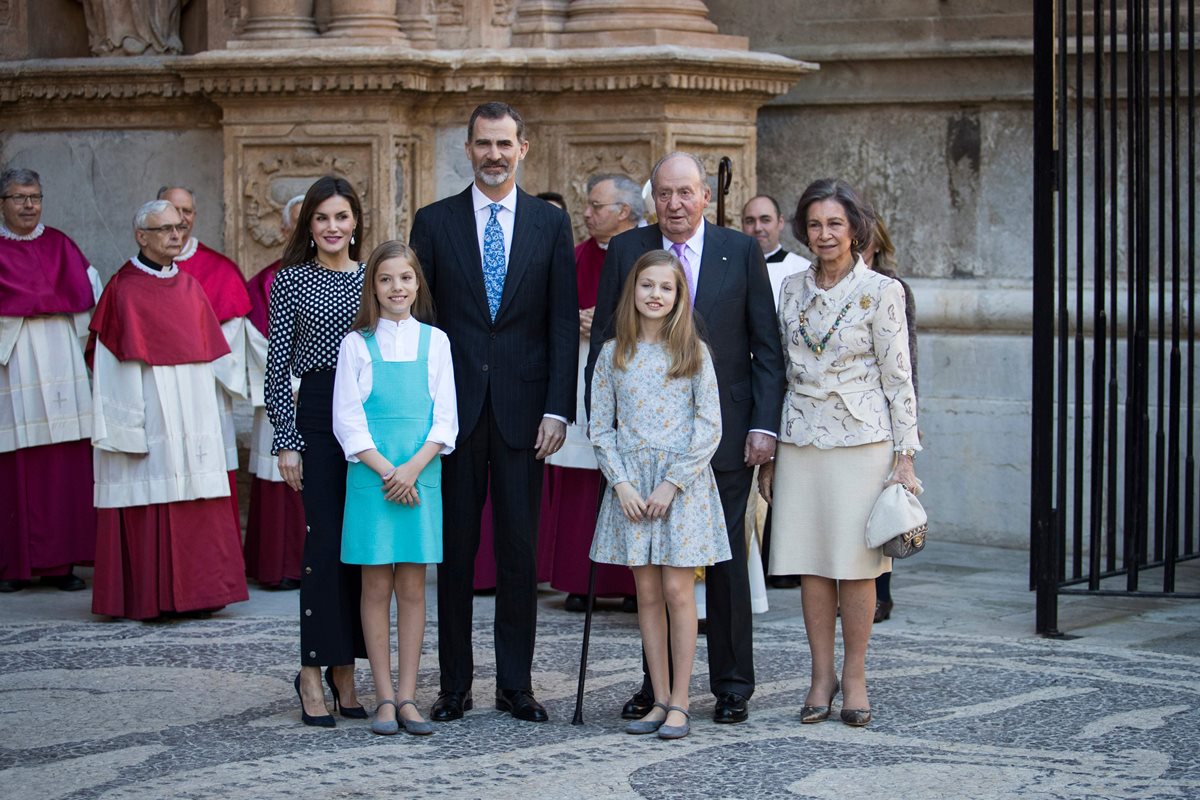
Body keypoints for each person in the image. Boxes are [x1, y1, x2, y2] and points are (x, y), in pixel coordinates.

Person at [588, 152, 785, 726]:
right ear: (654, 199)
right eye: (665, 194)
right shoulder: (628, 250)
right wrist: (611, 450)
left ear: (704, 195)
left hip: (719, 441)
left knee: (723, 567)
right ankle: (660, 688)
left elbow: (764, 346)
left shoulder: (740, 249)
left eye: (685, 193)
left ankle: (729, 685)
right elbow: (605, 337)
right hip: (641, 451)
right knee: (652, 576)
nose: (675, 204)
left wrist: (763, 427)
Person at [409, 101, 577, 724]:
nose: (494, 155)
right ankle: (454, 686)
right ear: (469, 148)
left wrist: (559, 409)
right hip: (451, 418)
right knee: (453, 554)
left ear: (523, 148)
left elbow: (562, 323)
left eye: (504, 144)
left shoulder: (548, 224)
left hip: (523, 414)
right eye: (483, 144)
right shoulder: (434, 221)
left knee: (518, 554)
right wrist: (424, 416)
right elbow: (420, 323)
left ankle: (516, 685)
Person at [758, 178, 920, 728]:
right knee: (811, 565)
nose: (824, 234)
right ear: (803, 230)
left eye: (835, 224)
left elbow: (899, 379)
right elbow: (778, 370)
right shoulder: (791, 289)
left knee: (856, 568)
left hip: (862, 443)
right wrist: (774, 452)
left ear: (855, 230)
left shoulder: (883, 291)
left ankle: (855, 677)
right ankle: (819, 675)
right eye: (815, 224)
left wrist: (906, 458)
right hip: (801, 439)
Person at [590, 249, 730, 740]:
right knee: (646, 594)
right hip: (631, 485)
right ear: (633, 291)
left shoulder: (692, 352)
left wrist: (673, 481)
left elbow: (709, 425)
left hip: (680, 486)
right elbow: (600, 427)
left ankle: (683, 701)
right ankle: (659, 696)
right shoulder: (613, 353)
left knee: (676, 590)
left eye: (666, 288)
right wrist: (621, 482)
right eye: (647, 285)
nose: (655, 295)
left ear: (679, 296)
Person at [89, 200, 248, 620]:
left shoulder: (191, 286)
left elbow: (211, 354)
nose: (176, 235)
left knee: (197, 490)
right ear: (142, 236)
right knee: (154, 488)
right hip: (150, 406)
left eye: (180, 227)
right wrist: (125, 428)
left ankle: (201, 593)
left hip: (193, 409)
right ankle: (152, 597)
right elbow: (109, 366)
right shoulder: (122, 288)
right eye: (165, 230)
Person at [333, 240, 458, 737]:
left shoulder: (437, 341)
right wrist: (389, 471)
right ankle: (382, 695)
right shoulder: (356, 344)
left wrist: (412, 470)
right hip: (373, 478)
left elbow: (446, 418)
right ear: (374, 287)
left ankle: (408, 695)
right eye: (386, 279)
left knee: (411, 586)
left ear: (417, 284)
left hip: (420, 477)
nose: (396, 288)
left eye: (405, 278)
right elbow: (347, 419)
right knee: (374, 586)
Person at [266, 176, 368, 728]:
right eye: (322, 218)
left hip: (368, 420)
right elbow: (277, 367)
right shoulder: (293, 280)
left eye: (342, 217)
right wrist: (286, 439)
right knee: (324, 545)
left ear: (356, 222)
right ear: (309, 226)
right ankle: (312, 668)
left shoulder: (372, 279)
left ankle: (346, 666)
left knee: (361, 547)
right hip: (318, 414)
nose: (333, 227)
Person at [0, 167, 100, 593]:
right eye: (19, 197)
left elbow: (88, 300)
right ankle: (12, 566)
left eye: (35, 197)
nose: (28, 205)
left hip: (60, 362)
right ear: (2, 203)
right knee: (14, 465)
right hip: (12, 362)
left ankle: (61, 564)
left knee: (62, 465)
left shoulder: (61, 245)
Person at [550, 173, 642, 613]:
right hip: (581, 373)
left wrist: (606, 323)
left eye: (596, 206)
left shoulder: (646, 252)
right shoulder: (577, 255)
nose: (586, 214)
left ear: (624, 212)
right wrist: (575, 319)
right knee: (582, 476)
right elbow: (550, 305)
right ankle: (578, 579)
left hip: (632, 374)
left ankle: (629, 582)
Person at [158, 185, 253, 536]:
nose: (180, 219)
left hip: (206, 390)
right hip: (161, 392)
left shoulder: (218, 269)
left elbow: (230, 336)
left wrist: (191, 365)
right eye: (171, 210)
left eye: (187, 211)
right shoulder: (137, 274)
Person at [740, 194, 810, 591]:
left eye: (765, 219)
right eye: (749, 220)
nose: (757, 227)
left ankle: (786, 560)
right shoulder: (731, 260)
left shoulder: (801, 269)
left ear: (780, 222)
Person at [244, 194, 307, 590]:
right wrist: (301, 381)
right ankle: (280, 565)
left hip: (333, 398)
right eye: (298, 222)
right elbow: (255, 340)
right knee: (279, 478)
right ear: (284, 230)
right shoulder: (266, 281)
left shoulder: (354, 276)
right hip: (282, 396)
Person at [860, 214, 918, 624]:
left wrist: (909, 428)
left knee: (884, 510)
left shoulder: (891, 287)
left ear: (876, 246)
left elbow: (906, 358)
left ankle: (881, 593)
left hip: (884, 414)